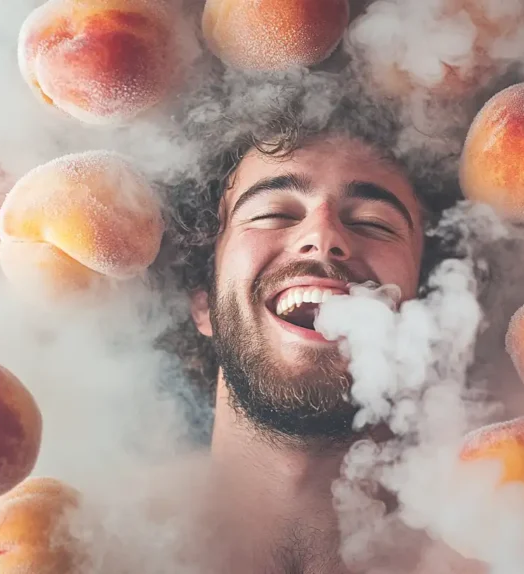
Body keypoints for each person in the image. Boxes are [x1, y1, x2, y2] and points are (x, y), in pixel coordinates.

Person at [150, 76, 487, 574]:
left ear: (429, 310)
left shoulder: (503, 554)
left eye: (374, 222)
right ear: (203, 303)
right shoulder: (87, 544)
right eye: (273, 212)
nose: (323, 235)